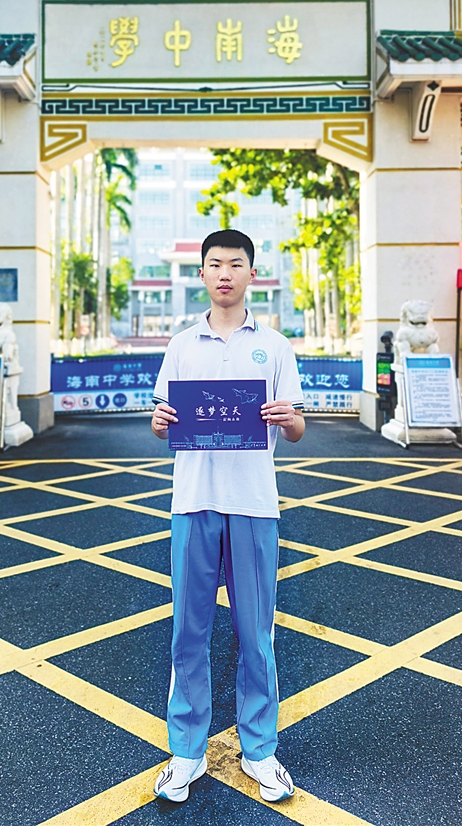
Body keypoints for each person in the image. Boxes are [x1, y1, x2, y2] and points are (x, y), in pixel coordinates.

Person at [151, 228, 305, 804]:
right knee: (188, 629)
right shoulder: (182, 345)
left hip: (254, 503)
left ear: (251, 274)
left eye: (235, 264)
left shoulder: (275, 346)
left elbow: (297, 429)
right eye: (215, 264)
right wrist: (159, 423)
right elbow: (162, 420)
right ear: (202, 273)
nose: (224, 273)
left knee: (255, 632)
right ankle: (186, 751)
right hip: (193, 501)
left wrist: (289, 418)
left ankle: (259, 749)